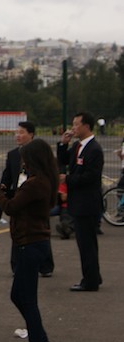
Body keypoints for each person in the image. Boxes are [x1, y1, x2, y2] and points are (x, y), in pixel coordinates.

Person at [0, 139, 58, 342]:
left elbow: (10, 207)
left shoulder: (34, 184)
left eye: (25, 159)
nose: (23, 163)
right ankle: (43, 341)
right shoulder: (45, 180)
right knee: (20, 295)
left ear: (33, 159)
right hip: (32, 243)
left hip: (30, 244)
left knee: (25, 297)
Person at [0, 121, 54, 277]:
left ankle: (45, 265)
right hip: (19, 194)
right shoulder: (13, 154)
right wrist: (2, 188)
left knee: (38, 230)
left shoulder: (39, 155)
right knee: (19, 228)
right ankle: (16, 265)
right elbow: (7, 175)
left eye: (21, 132)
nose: (17, 136)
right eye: (16, 133)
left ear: (31, 134)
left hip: (33, 197)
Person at [58, 111, 104, 292]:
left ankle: (90, 281)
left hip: (87, 204)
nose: (73, 127)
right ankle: (93, 276)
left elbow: (91, 177)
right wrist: (63, 144)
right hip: (78, 202)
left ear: (86, 126)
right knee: (85, 243)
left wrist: (67, 179)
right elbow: (63, 160)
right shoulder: (78, 146)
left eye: (76, 124)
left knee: (87, 244)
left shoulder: (94, 149)